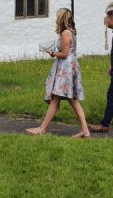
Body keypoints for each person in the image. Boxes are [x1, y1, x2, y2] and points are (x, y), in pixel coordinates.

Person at [25, 8, 90, 138]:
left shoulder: (66, 33)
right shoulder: (70, 31)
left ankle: (42, 129)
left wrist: (53, 53)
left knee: (57, 98)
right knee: (71, 100)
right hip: (68, 66)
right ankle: (85, 130)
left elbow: (65, 54)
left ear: (61, 18)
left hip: (66, 68)